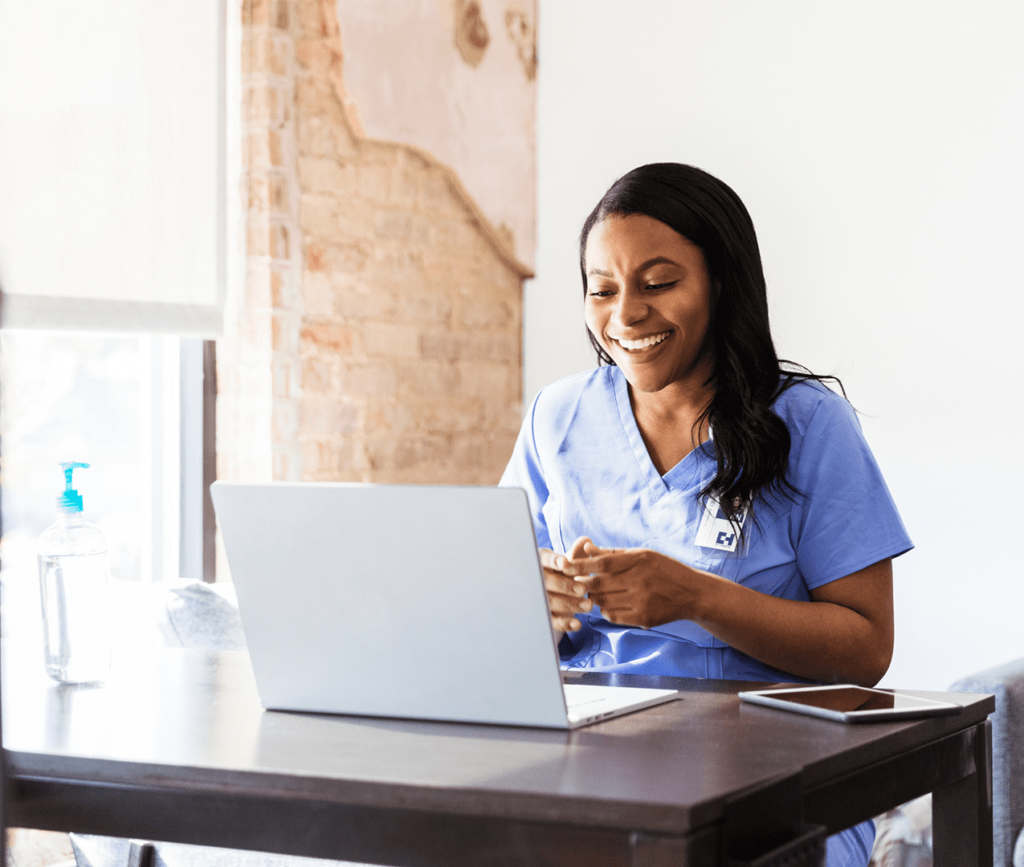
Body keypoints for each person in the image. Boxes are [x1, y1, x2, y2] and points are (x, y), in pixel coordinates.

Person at [499, 163, 912, 867]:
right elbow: (499, 610)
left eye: (658, 283)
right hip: (592, 763)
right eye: (602, 289)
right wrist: (539, 603)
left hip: (775, 777)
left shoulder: (809, 425)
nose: (625, 315)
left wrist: (696, 597)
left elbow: (867, 649)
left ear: (721, 283)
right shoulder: (557, 417)